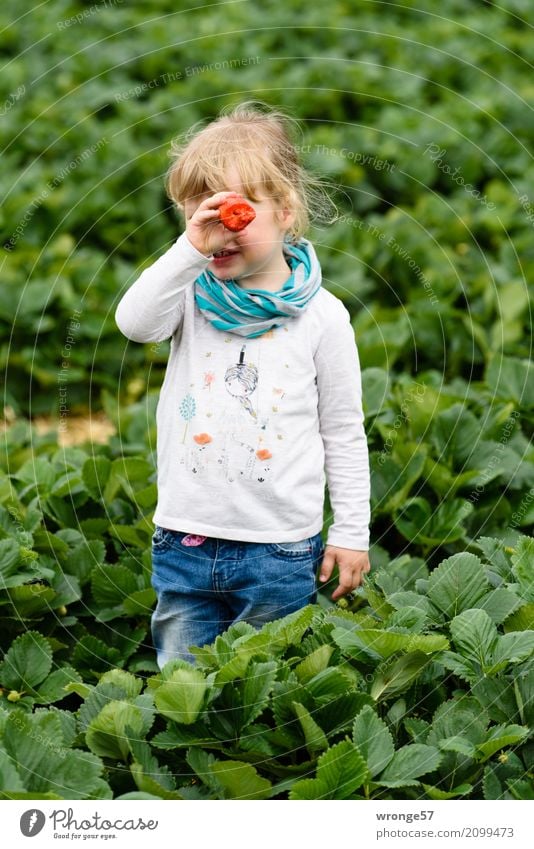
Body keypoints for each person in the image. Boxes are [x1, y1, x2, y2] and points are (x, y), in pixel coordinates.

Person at [115, 101, 371, 668]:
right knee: (183, 681)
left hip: (280, 546)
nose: (219, 229)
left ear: (284, 210)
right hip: (185, 537)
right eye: (198, 212)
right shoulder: (188, 297)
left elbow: (344, 431)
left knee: (266, 682)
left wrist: (351, 531)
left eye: (237, 210)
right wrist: (188, 250)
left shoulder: (323, 318)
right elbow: (134, 325)